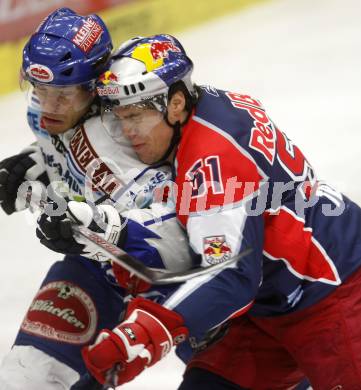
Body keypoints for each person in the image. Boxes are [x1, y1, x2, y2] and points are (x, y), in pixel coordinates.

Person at [60, 34, 361, 389]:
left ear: (174, 104)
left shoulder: (213, 159)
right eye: (121, 116)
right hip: (271, 303)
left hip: (334, 297)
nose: (127, 132)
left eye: (137, 116)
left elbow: (230, 275)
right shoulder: (207, 106)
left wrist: (145, 333)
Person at [0, 13, 193, 390]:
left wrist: (101, 227)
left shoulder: (118, 134)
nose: (48, 106)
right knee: (27, 379)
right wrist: (38, 163)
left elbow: (178, 243)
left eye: (62, 95)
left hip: (173, 282)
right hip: (99, 270)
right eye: (39, 90)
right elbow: (66, 150)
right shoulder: (48, 118)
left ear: (94, 89)